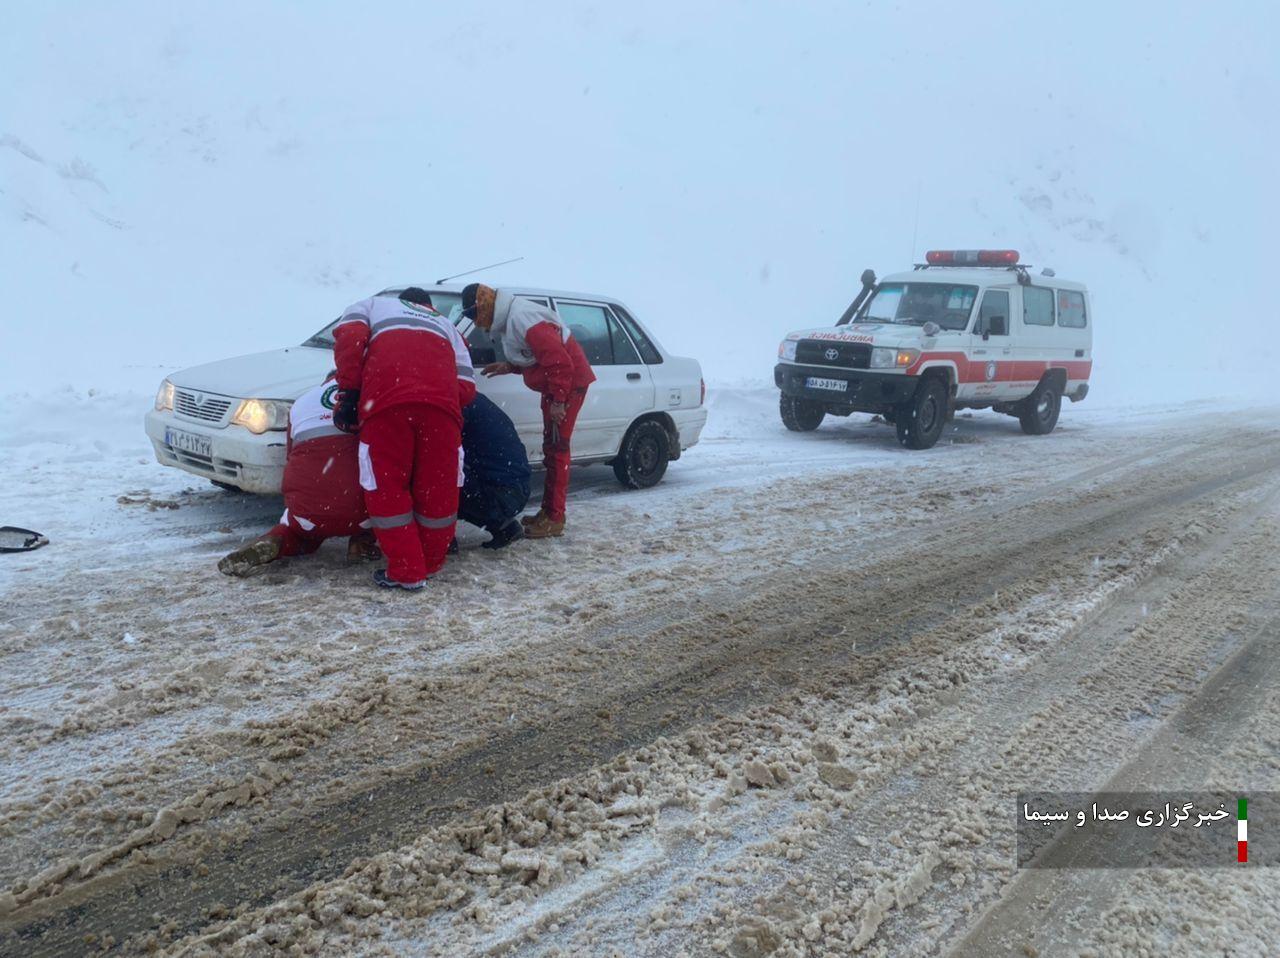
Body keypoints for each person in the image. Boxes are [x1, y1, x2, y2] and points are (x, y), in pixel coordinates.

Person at [332, 287, 476, 589]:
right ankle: (431, 561)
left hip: (386, 404)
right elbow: (466, 386)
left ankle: (407, 570)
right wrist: (431, 389)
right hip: (442, 412)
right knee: (438, 487)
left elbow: (349, 339)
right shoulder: (446, 324)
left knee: (385, 484)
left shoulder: (371, 305)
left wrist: (351, 391)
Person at [461, 283, 595, 538]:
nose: (476, 323)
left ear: (484, 307)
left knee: (557, 450)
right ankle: (549, 512)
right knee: (551, 448)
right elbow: (537, 357)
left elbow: (560, 362)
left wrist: (558, 401)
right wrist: (510, 367)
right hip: (558, 387)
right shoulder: (513, 318)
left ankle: (555, 518)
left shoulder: (522, 318)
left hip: (567, 386)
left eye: (473, 316)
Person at [218, 375, 379, 576]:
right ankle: (363, 542)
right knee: (387, 500)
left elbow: (291, 454)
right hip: (361, 507)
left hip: (308, 502)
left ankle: (276, 541)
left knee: (299, 530)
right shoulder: (374, 396)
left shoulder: (303, 401)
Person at [459, 392, 531, 549]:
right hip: (513, 489)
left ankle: (438, 540)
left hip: (503, 493)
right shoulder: (469, 398)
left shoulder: (458, 404)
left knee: (438, 475)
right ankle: (504, 527)